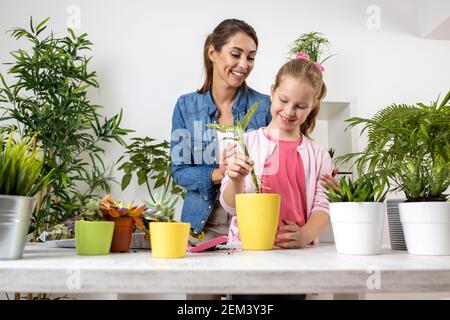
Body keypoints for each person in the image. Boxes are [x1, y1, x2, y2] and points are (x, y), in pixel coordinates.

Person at [220, 57, 332, 299]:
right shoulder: (245, 143)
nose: (289, 111)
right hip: (249, 257)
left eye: (301, 106)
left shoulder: (318, 154)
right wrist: (236, 180)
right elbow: (230, 205)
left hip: (296, 261)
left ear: (313, 105)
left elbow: (323, 207)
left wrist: (305, 235)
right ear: (272, 92)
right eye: (283, 100)